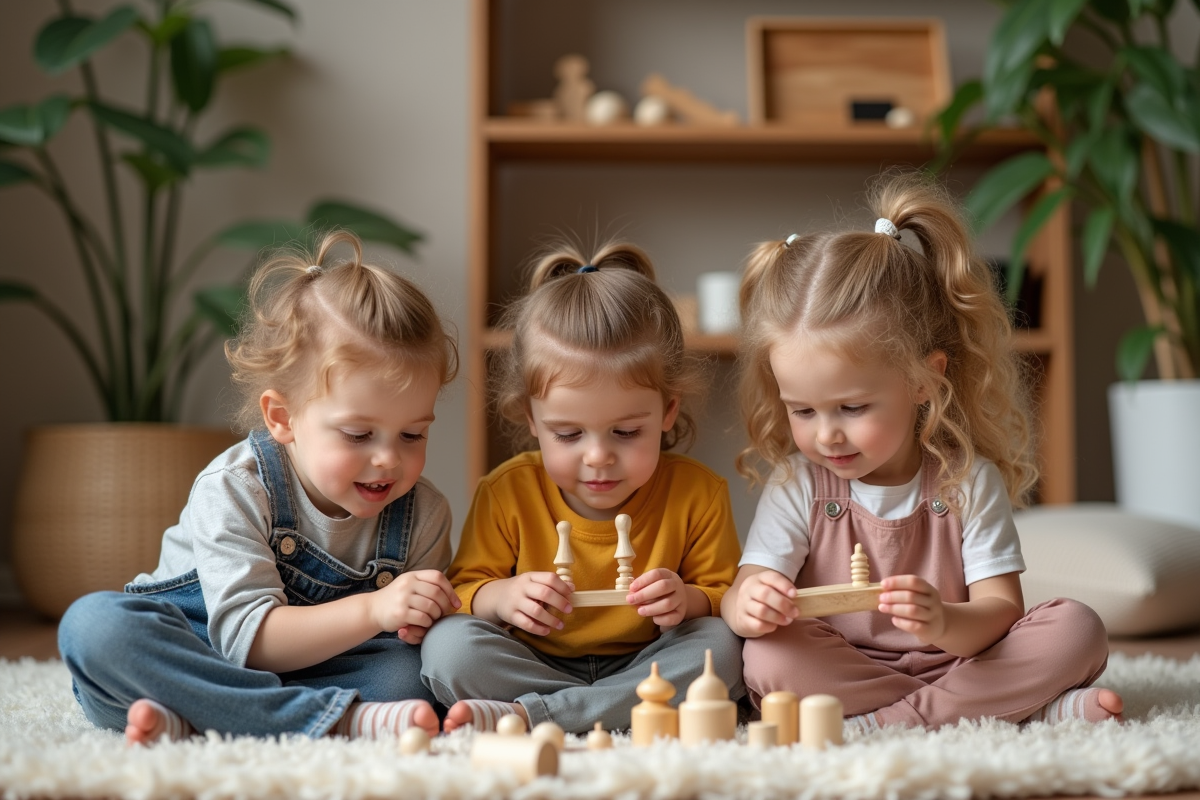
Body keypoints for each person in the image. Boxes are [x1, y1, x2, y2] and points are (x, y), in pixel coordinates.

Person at [722, 173, 1121, 732]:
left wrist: (943, 622)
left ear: (923, 382)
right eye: (803, 411)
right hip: (849, 667)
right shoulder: (798, 484)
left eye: (852, 408)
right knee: (768, 655)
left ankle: (890, 722)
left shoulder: (966, 481)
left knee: (1078, 627)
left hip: (962, 660)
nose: (827, 435)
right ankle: (1015, 709)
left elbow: (1000, 611)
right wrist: (748, 605)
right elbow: (743, 591)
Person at [58, 230, 461, 744]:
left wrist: (422, 618)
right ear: (282, 418)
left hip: (318, 668)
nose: (388, 459)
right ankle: (331, 719)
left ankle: (203, 716)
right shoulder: (236, 488)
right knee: (94, 627)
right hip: (200, 648)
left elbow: (404, 640)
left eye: (412, 434)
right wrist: (374, 608)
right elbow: (247, 641)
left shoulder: (424, 513)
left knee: (412, 676)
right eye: (359, 434)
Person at [419, 240, 744, 734]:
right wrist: (502, 597)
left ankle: (537, 713)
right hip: (533, 660)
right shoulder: (507, 490)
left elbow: (724, 597)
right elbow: (463, 592)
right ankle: (608, 708)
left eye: (626, 432)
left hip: (649, 659)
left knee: (724, 648)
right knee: (448, 647)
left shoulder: (698, 492)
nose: (597, 456)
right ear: (531, 418)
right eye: (569, 435)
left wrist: (687, 599)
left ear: (668, 411)